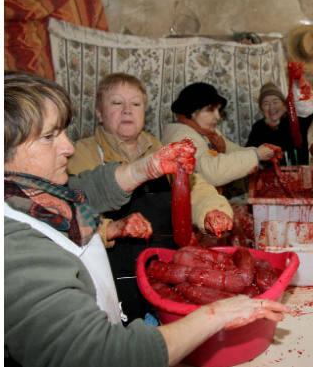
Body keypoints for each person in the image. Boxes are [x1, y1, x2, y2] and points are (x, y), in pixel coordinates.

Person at [4, 72, 289, 367]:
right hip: (120, 277)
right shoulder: (21, 240)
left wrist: (207, 208)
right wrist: (216, 315)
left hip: (159, 270)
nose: (68, 146)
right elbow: (103, 355)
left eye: (135, 104)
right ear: (100, 113)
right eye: (50, 136)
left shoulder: (43, 186)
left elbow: (84, 190)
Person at [68, 73, 233, 323]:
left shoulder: (160, 148)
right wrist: (111, 227)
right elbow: (70, 211)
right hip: (113, 276)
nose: (127, 111)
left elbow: (195, 187)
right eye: (116, 103)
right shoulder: (81, 153)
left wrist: (212, 210)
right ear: (99, 113)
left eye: (135, 104)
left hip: (165, 269)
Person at [162, 82, 280, 187]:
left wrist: (261, 151)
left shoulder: (209, 133)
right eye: (211, 110)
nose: (218, 117)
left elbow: (232, 150)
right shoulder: (181, 138)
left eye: (218, 110)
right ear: (192, 112)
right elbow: (211, 173)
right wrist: (256, 155)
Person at [246, 82, 309, 165]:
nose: (271, 107)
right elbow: (250, 154)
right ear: (261, 108)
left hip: (299, 175)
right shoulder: (258, 127)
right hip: (271, 176)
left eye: (275, 102)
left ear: (284, 104)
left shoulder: (297, 121)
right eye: (266, 104)